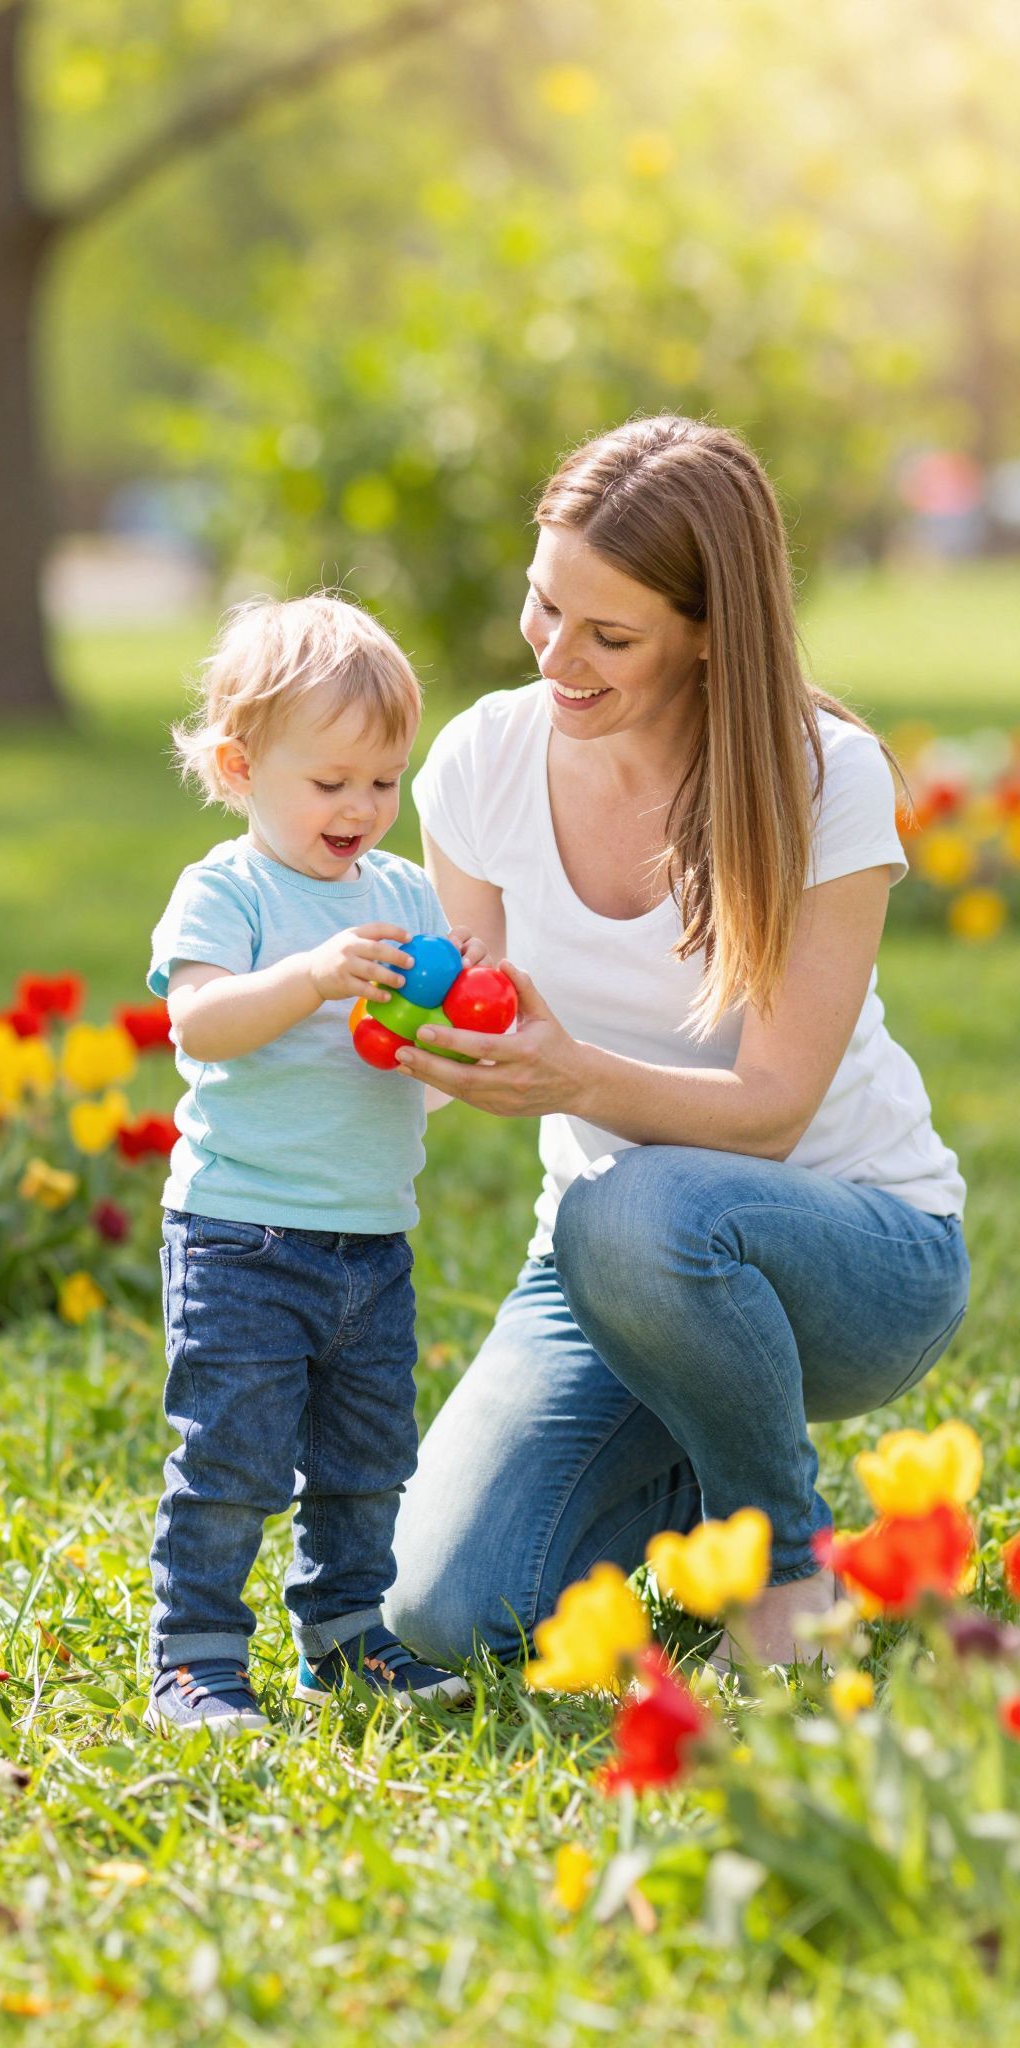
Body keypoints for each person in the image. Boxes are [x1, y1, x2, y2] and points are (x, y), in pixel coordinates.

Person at [385, 415, 971, 1673]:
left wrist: (576, 1078)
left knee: (633, 1205)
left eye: (609, 635)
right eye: (545, 604)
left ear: (709, 630)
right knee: (441, 1608)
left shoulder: (823, 777)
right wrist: (340, 1030)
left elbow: (773, 1105)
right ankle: (702, 1469)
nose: (556, 654)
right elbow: (462, 1021)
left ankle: (784, 1563)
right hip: (608, 1268)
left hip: (857, 1250)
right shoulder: (482, 761)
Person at [143, 594, 478, 1731]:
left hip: (371, 1239)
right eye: (331, 781)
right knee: (232, 1456)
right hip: (240, 1235)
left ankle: (345, 1632)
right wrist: (313, 976)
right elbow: (201, 1021)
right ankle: (195, 1652)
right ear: (241, 768)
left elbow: (429, 1037)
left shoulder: (403, 894)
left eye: (384, 780)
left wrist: (459, 1011)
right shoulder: (228, 890)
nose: (362, 807)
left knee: (368, 1456)